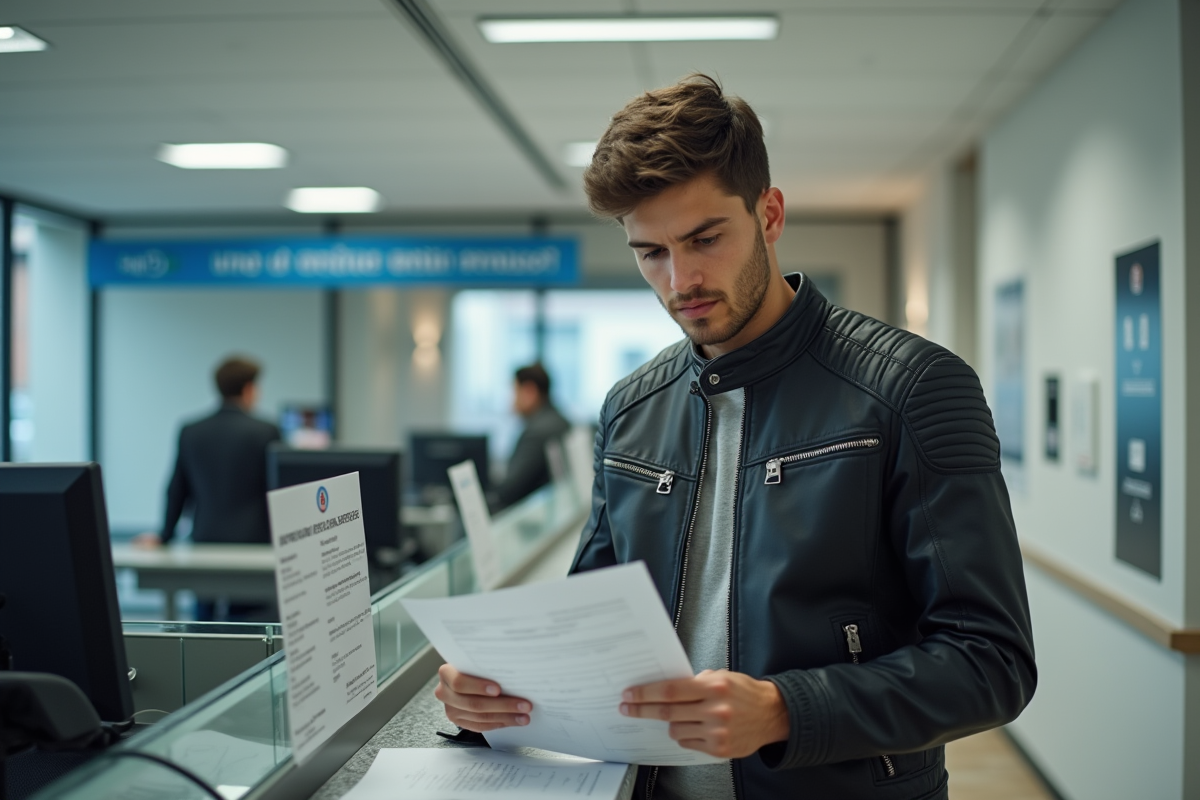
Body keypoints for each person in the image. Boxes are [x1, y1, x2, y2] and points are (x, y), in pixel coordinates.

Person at [435, 75, 1035, 799]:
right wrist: (491, 701)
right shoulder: (630, 409)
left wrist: (786, 710)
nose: (680, 279)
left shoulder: (909, 389)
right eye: (649, 252)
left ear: (770, 214)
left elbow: (989, 662)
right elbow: (593, 639)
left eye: (705, 238)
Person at [136, 356, 281, 620]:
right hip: (252, 547)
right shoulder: (266, 431)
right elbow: (278, 490)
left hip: (204, 543)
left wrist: (164, 535)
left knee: (203, 621)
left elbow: (177, 489)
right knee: (249, 622)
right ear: (248, 388)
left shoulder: (191, 430)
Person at [492, 363, 570, 510]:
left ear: (529, 392)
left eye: (515, 391)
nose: (512, 400)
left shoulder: (536, 433)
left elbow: (510, 491)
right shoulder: (561, 422)